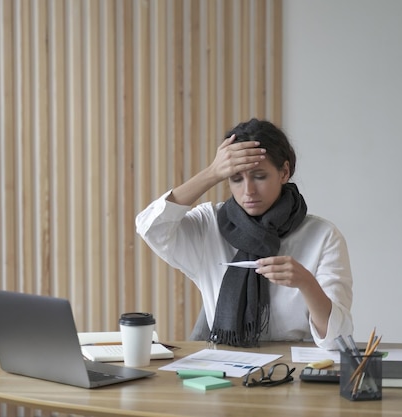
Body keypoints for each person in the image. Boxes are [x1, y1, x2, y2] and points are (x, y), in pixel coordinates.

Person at [135, 118, 353, 350]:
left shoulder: (323, 236)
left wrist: (307, 283)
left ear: (284, 172)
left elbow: (337, 338)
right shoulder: (209, 224)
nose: (248, 190)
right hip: (224, 367)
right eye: (236, 178)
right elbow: (151, 228)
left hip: (293, 372)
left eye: (259, 176)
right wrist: (211, 173)